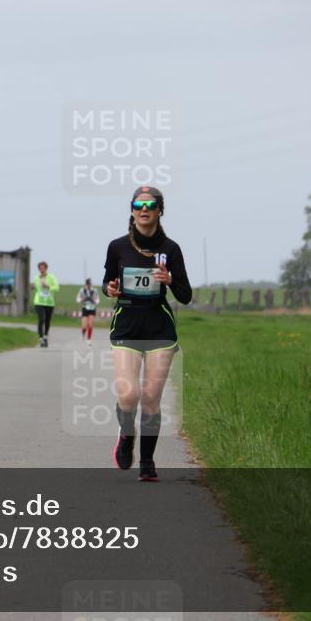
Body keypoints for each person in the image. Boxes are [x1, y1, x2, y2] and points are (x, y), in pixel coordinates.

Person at [103, 186, 192, 482]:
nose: (144, 210)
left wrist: (170, 279)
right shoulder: (117, 247)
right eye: (138, 205)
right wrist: (109, 289)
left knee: (151, 397)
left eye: (150, 205)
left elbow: (186, 295)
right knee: (129, 395)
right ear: (131, 210)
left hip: (159, 326)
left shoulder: (171, 249)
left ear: (159, 210)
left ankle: (147, 462)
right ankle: (126, 434)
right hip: (126, 324)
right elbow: (107, 283)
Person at [31, 261, 60, 347]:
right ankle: (41, 339)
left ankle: (45, 336)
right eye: (40, 268)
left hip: (49, 302)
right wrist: (32, 287)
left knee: (47, 321)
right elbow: (34, 287)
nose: (42, 270)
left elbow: (57, 288)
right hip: (39, 302)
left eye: (43, 268)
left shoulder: (51, 277)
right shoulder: (36, 278)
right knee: (41, 319)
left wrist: (48, 286)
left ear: (46, 268)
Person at [77, 278, 101, 346]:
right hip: (85, 308)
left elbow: (98, 300)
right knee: (84, 325)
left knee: (90, 324)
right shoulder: (82, 290)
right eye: (88, 284)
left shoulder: (95, 290)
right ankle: (83, 334)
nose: (89, 286)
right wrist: (83, 299)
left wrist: (94, 300)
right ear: (86, 284)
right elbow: (77, 299)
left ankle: (89, 339)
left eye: (90, 284)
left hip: (92, 308)